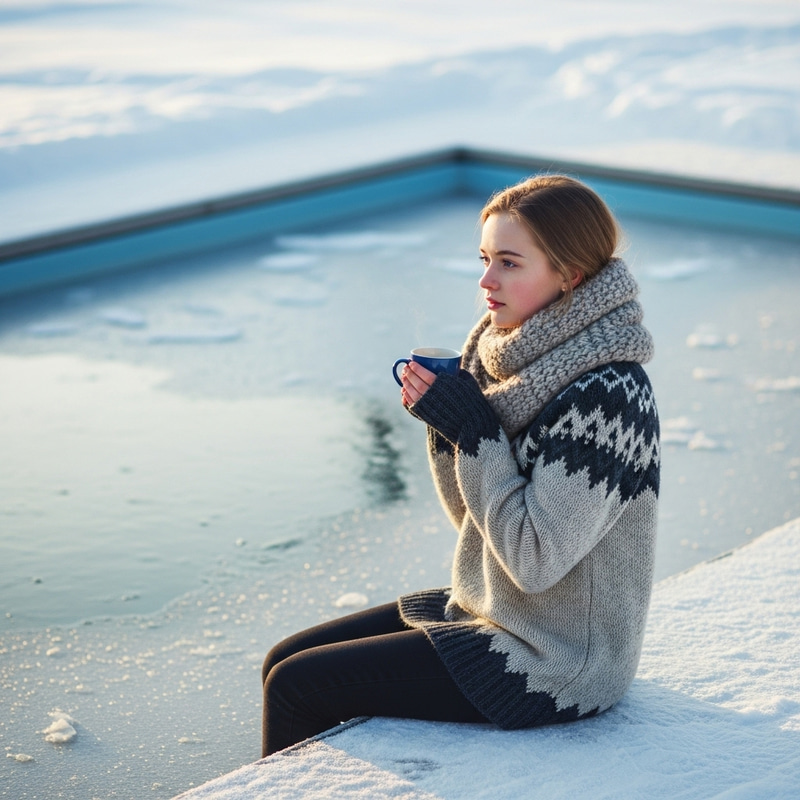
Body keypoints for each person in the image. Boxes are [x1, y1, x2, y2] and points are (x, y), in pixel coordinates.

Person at [261, 174, 660, 758]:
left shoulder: (608, 396)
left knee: (297, 686)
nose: (486, 280)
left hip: (558, 658)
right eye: (484, 258)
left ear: (570, 276)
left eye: (509, 263)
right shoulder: (499, 357)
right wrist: (446, 427)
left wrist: (475, 432)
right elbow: (473, 523)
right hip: (493, 608)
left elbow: (533, 560)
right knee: (281, 659)